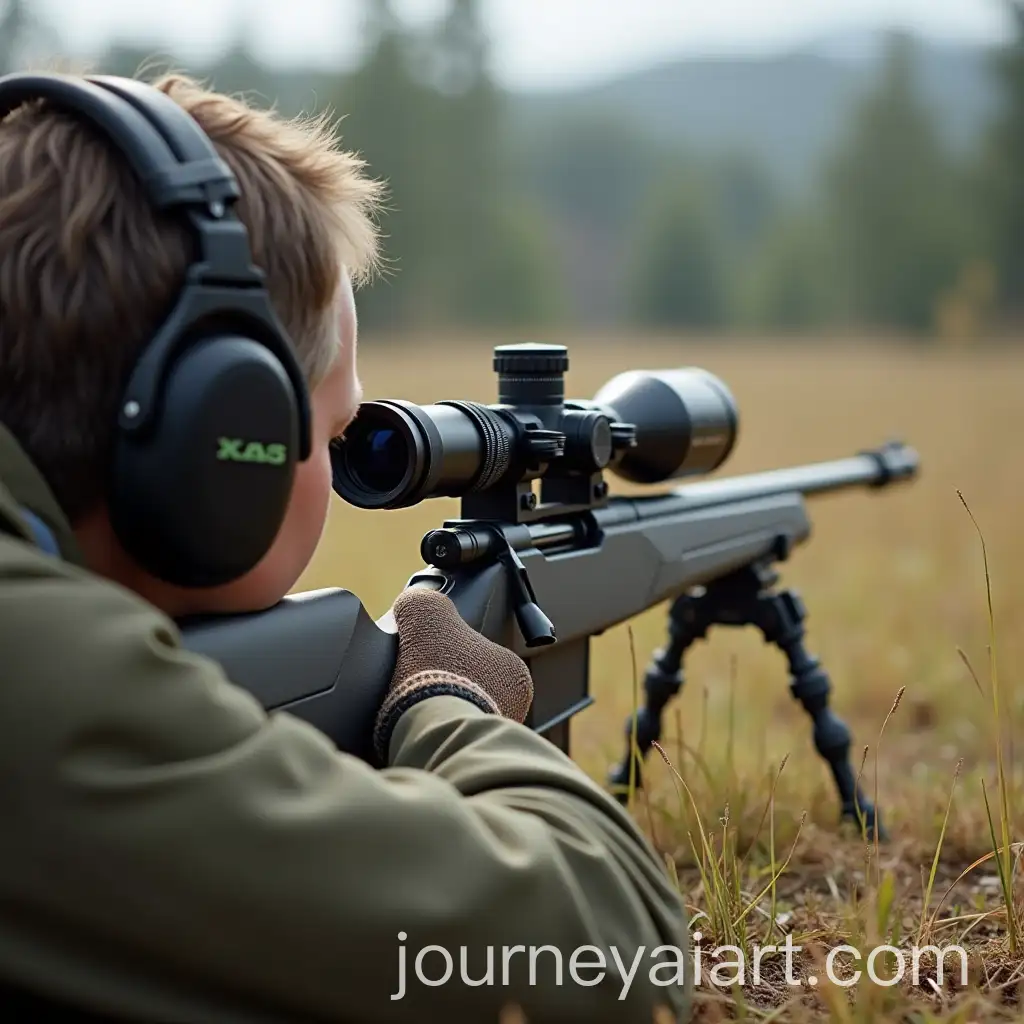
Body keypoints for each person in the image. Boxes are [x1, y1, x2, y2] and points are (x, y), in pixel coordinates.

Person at [0, 72, 692, 1023]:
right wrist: (447, 701)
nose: (336, 463)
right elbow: (607, 947)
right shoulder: (38, 676)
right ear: (214, 438)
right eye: (332, 437)